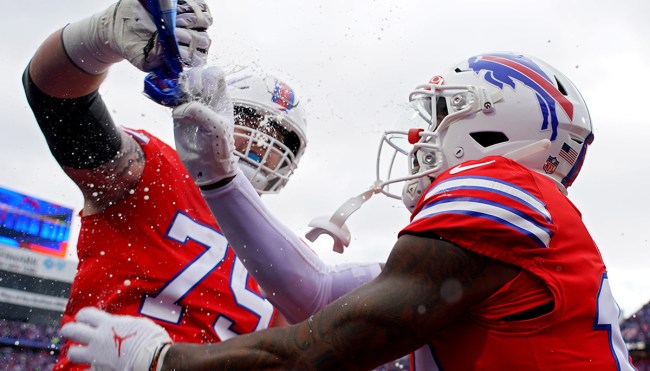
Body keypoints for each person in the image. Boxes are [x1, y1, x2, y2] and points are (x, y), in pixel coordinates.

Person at [61, 52, 635, 370]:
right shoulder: (504, 236)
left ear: (493, 127)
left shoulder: (500, 185)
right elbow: (312, 292)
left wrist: (162, 361)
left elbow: (321, 349)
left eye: (442, 112)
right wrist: (219, 179)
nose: (419, 131)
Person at [20, 0, 372, 369]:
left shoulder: (287, 252)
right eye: (250, 118)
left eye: (283, 138)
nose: (264, 142)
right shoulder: (153, 170)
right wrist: (98, 37)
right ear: (218, 105)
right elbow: (56, 100)